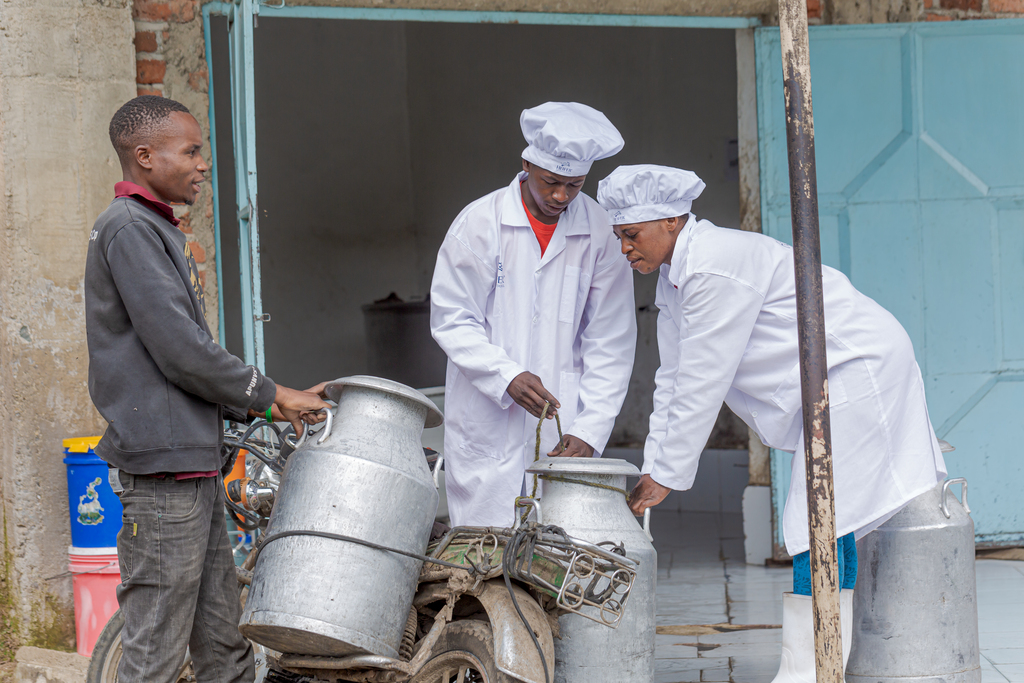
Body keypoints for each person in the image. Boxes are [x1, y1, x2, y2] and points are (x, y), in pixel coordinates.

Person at [597, 164, 947, 683]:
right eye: (619, 236)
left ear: (671, 220)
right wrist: (656, 465)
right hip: (834, 375)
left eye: (632, 235)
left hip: (854, 368)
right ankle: (828, 664)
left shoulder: (715, 265)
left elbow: (702, 380)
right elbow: (671, 377)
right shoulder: (677, 278)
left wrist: (669, 472)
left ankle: (809, 672)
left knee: (818, 518)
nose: (625, 248)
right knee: (832, 517)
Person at [85, 95, 331, 683]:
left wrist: (254, 405)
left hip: (190, 468)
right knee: (156, 653)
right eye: (191, 151)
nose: (202, 165)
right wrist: (272, 394)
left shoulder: (153, 228)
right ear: (144, 156)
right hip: (163, 475)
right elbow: (181, 352)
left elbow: (182, 357)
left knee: (223, 643)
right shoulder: (129, 229)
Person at [430, 102, 637, 528]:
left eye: (574, 185)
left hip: (566, 425)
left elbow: (610, 338)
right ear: (527, 165)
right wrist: (505, 375)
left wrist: (591, 429)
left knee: (562, 556)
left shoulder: (599, 228)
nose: (561, 196)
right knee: (484, 558)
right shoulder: (480, 223)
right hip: (487, 425)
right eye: (551, 182)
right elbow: (452, 319)